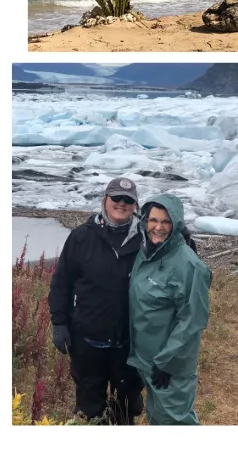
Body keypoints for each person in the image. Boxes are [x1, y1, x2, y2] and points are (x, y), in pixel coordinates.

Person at [48, 177, 146, 424]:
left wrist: (181, 234)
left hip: (130, 342)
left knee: (126, 407)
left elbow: (176, 261)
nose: (121, 204)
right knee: (90, 409)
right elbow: (62, 283)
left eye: (128, 200)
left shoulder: (146, 240)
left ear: (135, 205)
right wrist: (59, 324)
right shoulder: (82, 236)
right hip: (88, 340)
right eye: (116, 198)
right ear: (105, 200)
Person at [127, 195, 211, 425]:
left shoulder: (188, 264)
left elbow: (193, 320)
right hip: (148, 360)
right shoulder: (148, 253)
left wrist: (167, 362)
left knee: (175, 421)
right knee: (157, 417)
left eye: (166, 221)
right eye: (153, 220)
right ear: (145, 221)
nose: (158, 227)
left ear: (176, 224)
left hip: (169, 365)